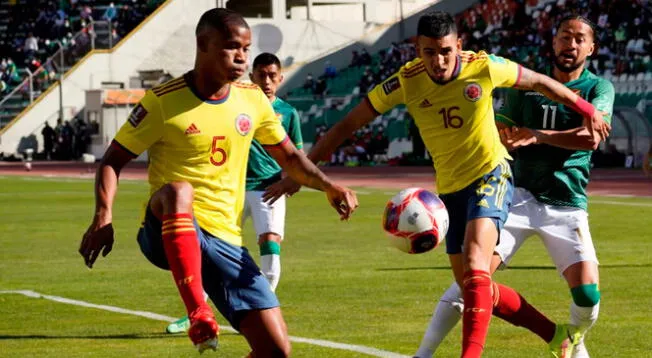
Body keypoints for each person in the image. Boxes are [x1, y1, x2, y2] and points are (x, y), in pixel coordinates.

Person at [265, 11, 609, 358]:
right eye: (429, 52)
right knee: (474, 287)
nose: (439, 60)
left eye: (446, 51)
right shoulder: (406, 81)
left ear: (459, 46)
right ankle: (556, 335)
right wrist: (300, 174)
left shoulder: (485, 66)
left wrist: (586, 109)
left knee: (476, 263)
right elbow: (346, 126)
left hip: (492, 175)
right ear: (417, 50)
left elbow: (541, 82)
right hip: (450, 191)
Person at [78, 8, 358, 356]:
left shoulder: (252, 99)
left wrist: (329, 186)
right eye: (231, 47)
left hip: (225, 238)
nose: (241, 56)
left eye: (246, 48)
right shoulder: (163, 102)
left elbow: (289, 157)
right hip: (166, 228)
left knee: (275, 350)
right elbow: (112, 160)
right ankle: (198, 313)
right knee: (180, 191)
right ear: (203, 44)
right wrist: (103, 216)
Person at [414, 15, 614, 358]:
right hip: (517, 196)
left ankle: (571, 339)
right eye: (565, 36)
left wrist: (537, 136)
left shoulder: (598, 89)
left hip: (567, 202)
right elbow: (503, 132)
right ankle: (423, 353)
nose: (572, 44)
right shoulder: (529, 87)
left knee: (588, 296)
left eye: (580, 39)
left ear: (591, 48)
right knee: (471, 281)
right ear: (553, 42)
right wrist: (500, 138)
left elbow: (592, 137)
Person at [165, 52, 304, 334]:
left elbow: (297, 156)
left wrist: (289, 182)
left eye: (271, 75)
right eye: (261, 75)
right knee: (209, 251)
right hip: (232, 190)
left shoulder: (288, 113)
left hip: (268, 190)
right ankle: (197, 312)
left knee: (270, 247)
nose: (266, 81)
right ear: (251, 76)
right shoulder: (236, 105)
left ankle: (263, 314)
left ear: (280, 78)